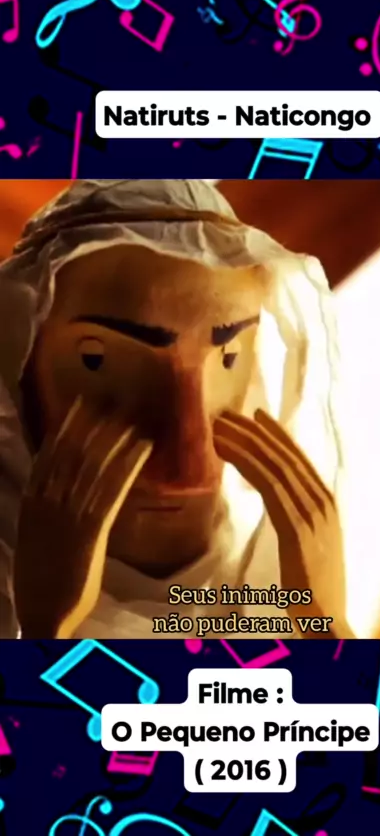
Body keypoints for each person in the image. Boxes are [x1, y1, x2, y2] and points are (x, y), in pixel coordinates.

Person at [0, 179, 354, 639]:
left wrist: (325, 625)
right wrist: (44, 630)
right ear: (17, 373)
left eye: (229, 358)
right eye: (96, 359)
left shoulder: (270, 603)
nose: (187, 467)